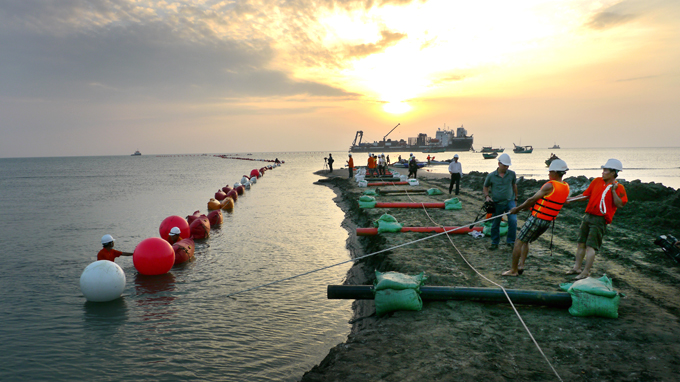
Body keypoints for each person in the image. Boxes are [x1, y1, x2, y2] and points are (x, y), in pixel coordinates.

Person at [502, 160, 570, 276]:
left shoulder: (550, 185)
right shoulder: (566, 186)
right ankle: (521, 265)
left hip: (537, 219)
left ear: (555, 172)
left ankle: (513, 270)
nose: (548, 174)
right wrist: (528, 207)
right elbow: (548, 201)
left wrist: (517, 209)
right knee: (526, 240)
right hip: (548, 221)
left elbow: (531, 199)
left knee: (518, 241)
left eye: (550, 171)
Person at [566, 158, 628, 280]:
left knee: (591, 246)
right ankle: (576, 268)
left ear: (613, 172)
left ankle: (585, 272)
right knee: (581, 243)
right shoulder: (596, 181)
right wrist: (570, 199)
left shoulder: (618, 187)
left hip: (600, 219)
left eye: (605, 170)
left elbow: (620, 204)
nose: (603, 172)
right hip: (588, 216)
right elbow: (585, 195)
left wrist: (614, 191)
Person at [483, 153, 518, 250]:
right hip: (497, 203)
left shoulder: (511, 174)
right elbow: (485, 187)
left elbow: (514, 186)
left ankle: (511, 241)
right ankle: (495, 242)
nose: (506, 167)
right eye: (504, 165)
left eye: (507, 166)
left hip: (510, 201)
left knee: (513, 221)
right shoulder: (491, 176)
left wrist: (516, 199)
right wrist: (487, 196)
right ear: (499, 163)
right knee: (495, 223)